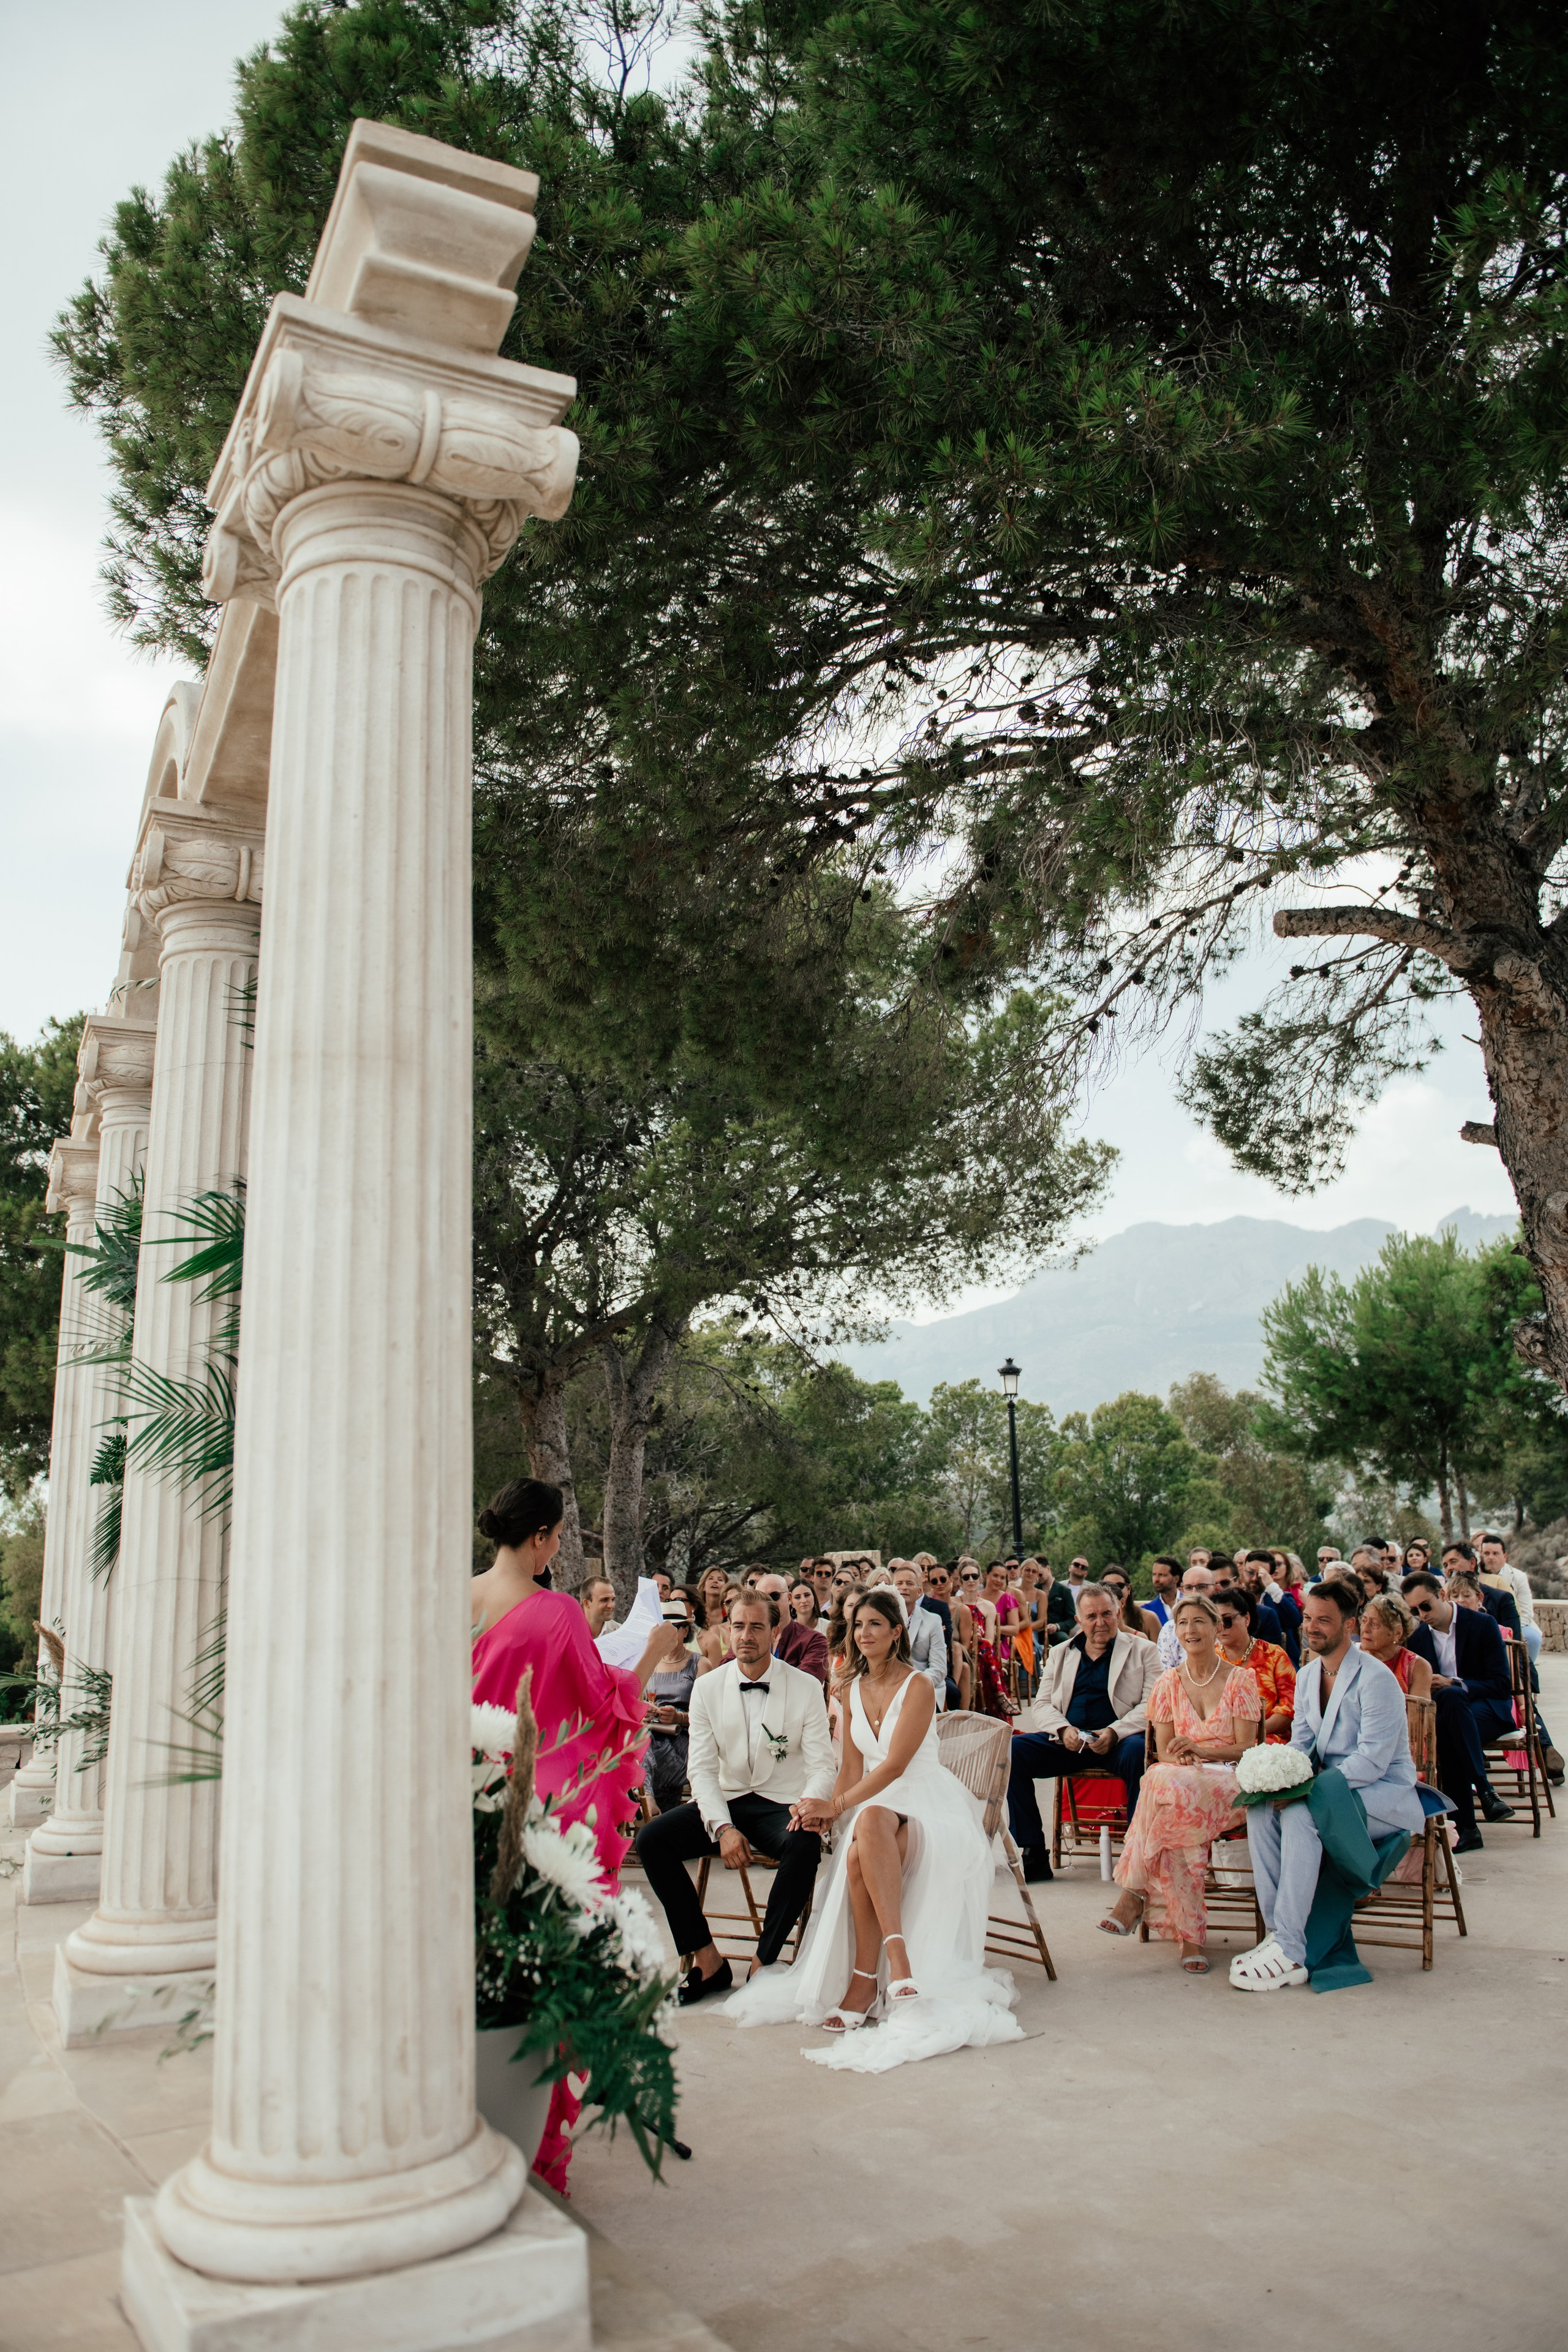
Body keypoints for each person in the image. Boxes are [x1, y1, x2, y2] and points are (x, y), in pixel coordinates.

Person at [470, 1479, 685, 2189]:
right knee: (545, 1974)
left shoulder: (454, 1599)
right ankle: (535, 2140)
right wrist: (653, 1650)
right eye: (558, 1536)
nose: (559, 1547)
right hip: (541, 1808)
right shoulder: (556, 1610)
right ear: (540, 1538)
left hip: (465, 1799)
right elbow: (603, 1704)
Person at [724, 1591, 1025, 2070]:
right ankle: (883, 1970)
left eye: (875, 1625)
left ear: (897, 1632)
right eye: (858, 1625)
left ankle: (878, 1973)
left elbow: (896, 1766)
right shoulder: (846, 1688)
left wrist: (840, 1804)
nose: (864, 1633)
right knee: (864, 1834)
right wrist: (827, 1812)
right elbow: (852, 1767)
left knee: (870, 1822)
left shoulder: (920, 1685)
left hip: (929, 1807)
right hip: (876, 1812)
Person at [636, 1589, 836, 2003]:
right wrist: (722, 1827)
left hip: (782, 1803)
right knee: (652, 1840)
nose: (746, 1635)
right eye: (739, 1626)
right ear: (728, 1630)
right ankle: (707, 1960)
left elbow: (822, 1765)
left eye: (757, 1627)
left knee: (804, 1844)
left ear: (775, 1632)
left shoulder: (806, 1687)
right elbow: (703, 1769)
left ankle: (764, 1960)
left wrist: (809, 1802)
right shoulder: (708, 1688)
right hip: (723, 1801)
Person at [1232, 1578, 1425, 1991]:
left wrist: (1307, 1792)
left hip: (1382, 1795)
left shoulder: (1377, 1680)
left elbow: (1373, 1761)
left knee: (1303, 1815)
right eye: (1307, 1618)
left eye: (1324, 1620)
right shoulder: (1307, 1676)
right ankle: (1277, 1933)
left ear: (1350, 1626)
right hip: (1327, 1787)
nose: (1312, 1627)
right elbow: (1302, 1744)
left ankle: (1291, 1945)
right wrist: (1280, 1781)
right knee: (1262, 1808)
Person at [1099, 1594, 1262, 1971]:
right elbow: (1163, 1751)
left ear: (1217, 1629)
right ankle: (1190, 1938)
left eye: (1199, 1622)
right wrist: (1186, 1761)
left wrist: (1202, 1755)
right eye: (1183, 1623)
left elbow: (1245, 1747)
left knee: (1163, 1784)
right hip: (1183, 1781)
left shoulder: (1241, 1680)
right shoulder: (1167, 1683)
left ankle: (1135, 1894)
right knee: (1167, 1783)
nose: (1191, 1630)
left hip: (1229, 1780)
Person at [1006, 1583, 1160, 1883]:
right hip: (1071, 1742)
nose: (1100, 1622)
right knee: (1013, 1752)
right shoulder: (1062, 1653)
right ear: (1079, 1620)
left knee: (1138, 1756)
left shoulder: (1143, 1650)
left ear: (1118, 1613)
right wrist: (1063, 1729)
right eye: (1091, 1616)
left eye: (1106, 1614)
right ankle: (1033, 1852)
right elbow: (1041, 1704)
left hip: (1120, 1741)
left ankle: (1137, 1855)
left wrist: (1115, 1732)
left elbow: (1151, 1704)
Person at [1403, 1567, 1516, 1851]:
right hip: (1450, 1713)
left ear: (1441, 1594)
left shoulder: (1482, 1624)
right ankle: (1486, 1791)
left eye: (1425, 1606)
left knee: (1452, 1712)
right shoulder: (1417, 1640)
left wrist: (1456, 1682)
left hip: (1488, 1708)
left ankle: (1465, 1826)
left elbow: (1502, 1685)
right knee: (1451, 1709)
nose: (1422, 1615)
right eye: (1415, 1611)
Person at [645, 1590, 707, 1813]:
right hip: (652, 1730)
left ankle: (646, 1799)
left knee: (642, 1744)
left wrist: (680, 1717)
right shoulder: (649, 1662)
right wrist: (646, 1711)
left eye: (671, 1629)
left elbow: (711, 1717)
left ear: (684, 1631)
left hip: (683, 1738)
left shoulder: (700, 1665)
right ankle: (650, 1800)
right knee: (639, 1738)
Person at [1213, 1585, 1295, 1741]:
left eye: (1227, 1620)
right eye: (1215, 1621)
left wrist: (1251, 1732)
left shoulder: (1274, 1655)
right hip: (1219, 1740)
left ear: (1246, 1619)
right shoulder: (1209, 1657)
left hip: (1266, 1737)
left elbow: (1289, 1708)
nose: (1221, 1627)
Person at [1357, 1591, 1433, 1703]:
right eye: (1364, 1621)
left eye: (1375, 1624)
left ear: (1397, 1633)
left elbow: (1419, 1718)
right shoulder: (1350, 1656)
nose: (1365, 1629)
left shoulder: (1417, 1667)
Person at [892, 1561, 948, 1702]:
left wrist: (913, 1685)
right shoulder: (882, 1621)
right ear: (892, 1590)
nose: (904, 1587)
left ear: (919, 1592)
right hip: (889, 1688)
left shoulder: (933, 1621)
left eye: (910, 1584)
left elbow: (939, 1668)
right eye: (899, 1583)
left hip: (923, 1688)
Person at [1156, 1561, 1216, 1670]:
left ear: (1215, 1589)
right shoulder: (1169, 1629)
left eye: (1201, 1587)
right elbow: (1166, 1673)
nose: (1195, 1593)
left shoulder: (1225, 1623)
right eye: (1188, 1588)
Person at [777, 1579, 830, 1684]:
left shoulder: (829, 1627)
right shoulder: (784, 1631)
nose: (803, 1600)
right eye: (798, 1597)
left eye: (807, 1595)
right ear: (790, 1600)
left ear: (814, 1597)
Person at [1101, 1565, 1161, 1642]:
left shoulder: (1149, 1618)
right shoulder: (1098, 1623)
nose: (1114, 1590)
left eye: (1119, 1586)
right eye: (1108, 1586)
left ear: (1129, 1589)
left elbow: (1160, 1651)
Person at [1146, 1556, 1182, 1630]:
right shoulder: (1147, 1610)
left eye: (1161, 1575)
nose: (1156, 1580)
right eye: (1154, 1575)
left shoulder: (1191, 1604)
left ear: (1176, 1579)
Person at [578, 1574, 617, 1638]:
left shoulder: (621, 1634)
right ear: (586, 1603)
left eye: (613, 1600)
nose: (611, 1606)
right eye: (604, 1600)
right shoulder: (568, 1634)